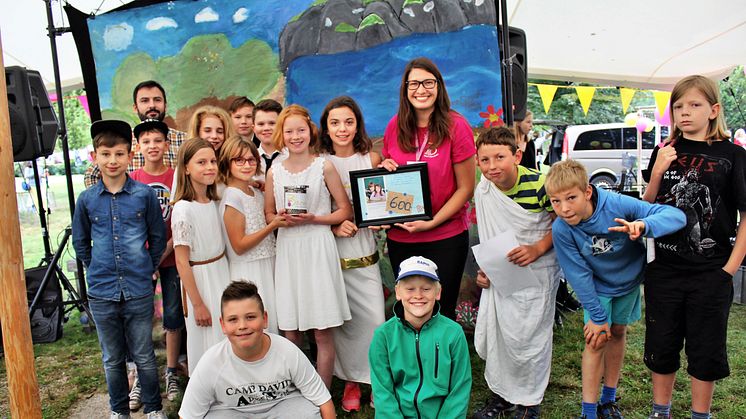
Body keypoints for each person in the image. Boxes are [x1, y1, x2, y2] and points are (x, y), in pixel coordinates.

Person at [546, 159, 686, 419]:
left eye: (571, 198)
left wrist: (644, 226)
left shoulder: (617, 204)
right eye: (555, 201)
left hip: (627, 282)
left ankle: (608, 400)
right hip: (595, 286)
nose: (564, 209)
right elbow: (578, 273)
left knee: (618, 332)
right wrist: (597, 317)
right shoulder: (561, 229)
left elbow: (676, 216)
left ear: (587, 191)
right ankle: (588, 412)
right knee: (597, 340)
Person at [641, 75, 746, 419]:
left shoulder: (732, 155)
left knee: (706, 347)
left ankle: (701, 414)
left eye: (695, 105)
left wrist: (728, 270)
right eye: (679, 106)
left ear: (714, 110)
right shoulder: (665, 150)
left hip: (710, 271)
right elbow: (646, 207)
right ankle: (661, 411)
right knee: (662, 343)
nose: (685, 112)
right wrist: (657, 170)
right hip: (664, 270)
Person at [72, 119, 167, 419]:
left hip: (138, 289)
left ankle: (152, 408)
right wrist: (97, 268)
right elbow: (81, 242)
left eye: (119, 154)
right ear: (95, 157)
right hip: (101, 291)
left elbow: (157, 237)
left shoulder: (144, 195)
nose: (112, 161)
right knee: (112, 358)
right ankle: (119, 410)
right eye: (105, 154)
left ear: (130, 155)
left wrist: (146, 269)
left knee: (144, 355)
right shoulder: (86, 200)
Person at [471, 127, 560, 419]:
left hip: (538, 270)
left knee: (531, 336)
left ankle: (529, 401)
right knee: (502, 334)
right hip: (502, 273)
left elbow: (563, 224)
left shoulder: (542, 185)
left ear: (517, 156)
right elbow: (490, 235)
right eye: (485, 159)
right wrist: (486, 269)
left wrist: (536, 248)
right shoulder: (483, 189)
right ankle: (501, 395)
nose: (492, 166)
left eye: (500, 157)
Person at [380, 57, 476, 320]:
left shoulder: (457, 126)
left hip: (445, 237)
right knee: (408, 312)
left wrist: (431, 222)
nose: (421, 89)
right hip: (403, 237)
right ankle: (409, 362)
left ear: (439, 86)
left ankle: (440, 362)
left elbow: (466, 188)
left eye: (428, 82)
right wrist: (384, 169)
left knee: (440, 313)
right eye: (414, 84)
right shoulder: (395, 125)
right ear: (405, 89)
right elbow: (390, 180)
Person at [264, 104, 352, 388]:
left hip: (317, 246)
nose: (295, 136)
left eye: (300, 130)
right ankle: (296, 390)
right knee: (291, 331)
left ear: (310, 131)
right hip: (289, 249)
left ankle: (323, 394)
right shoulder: (274, 172)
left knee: (322, 330)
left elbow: (344, 210)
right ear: (282, 134)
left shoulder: (323, 166)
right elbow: (268, 213)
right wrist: (278, 220)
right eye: (289, 131)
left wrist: (316, 218)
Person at [178, 281, 335, 419]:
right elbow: (187, 415)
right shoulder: (211, 362)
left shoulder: (287, 352)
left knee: (308, 414)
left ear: (265, 319)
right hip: (231, 412)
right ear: (223, 325)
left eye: (250, 317)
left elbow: (323, 401)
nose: (242, 326)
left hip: (284, 406)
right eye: (233, 319)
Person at [318, 96, 386, 411]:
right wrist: (333, 229)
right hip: (331, 257)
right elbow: (312, 212)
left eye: (348, 121)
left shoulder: (370, 159)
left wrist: (380, 216)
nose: (342, 129)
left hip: (366, 257)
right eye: (335, 123)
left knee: (374, 320)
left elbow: (383, 203)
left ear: (357, 123)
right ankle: (350, 383)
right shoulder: (318, 162)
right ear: (326, 128)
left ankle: (376, 380)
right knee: (343, 325)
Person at [368, 256, 471, 419]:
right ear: (398, 292)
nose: (418, 295)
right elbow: (383, 391)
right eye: (410, 289)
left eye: (426, 289)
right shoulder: (383, 336)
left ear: (438, 292)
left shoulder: (453, 333)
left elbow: (460, 388)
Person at [129, 119, 184, 403]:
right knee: (141, 317)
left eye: (157, 141)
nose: (152, 146)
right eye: (146, 142)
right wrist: (145, 259)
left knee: (173, 316)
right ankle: (141, 375)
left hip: (172, 257)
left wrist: (161, 254)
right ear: (139, 147)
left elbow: (182, 222)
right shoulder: (134, 179)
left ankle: (171, 371)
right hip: (141, 261)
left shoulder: (177, 177)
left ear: (166, 144)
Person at [171, 138, 232, 376]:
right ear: (186, 168)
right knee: (208, 340)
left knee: (225, 335)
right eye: (201, 162)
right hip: (201, 279)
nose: (210, 167)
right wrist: (197, 304)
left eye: (213, 161)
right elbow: (181, 261)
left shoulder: (213, 201)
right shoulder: (183, 208)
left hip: (221, 271)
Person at [218, 136, 286, 334]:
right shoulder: (232, 197)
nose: (246, 165)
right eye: (239, 160)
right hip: (249, 270)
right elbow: (239, 245)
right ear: (227, 163)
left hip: (268, 264)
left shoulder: (254, 192)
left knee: (273, 321)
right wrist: (271, 226)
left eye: (251, 160)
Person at [84, 80, 187, 188]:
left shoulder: (183, 140)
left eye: (157, 100)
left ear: (165, 105)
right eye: (145, 101)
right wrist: (104, 200)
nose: (152, 105)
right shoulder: (123, 139)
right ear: (135, 107)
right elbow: (91, 174)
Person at [253, 99, 286, 180]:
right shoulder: (248, 159)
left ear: (282, 125)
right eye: (261, 124)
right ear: (253, 128)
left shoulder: (292, 157)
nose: (266, 128)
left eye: (272, 123)